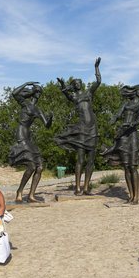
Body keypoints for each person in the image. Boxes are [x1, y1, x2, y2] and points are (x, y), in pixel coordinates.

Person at [53, 57, 101, 195]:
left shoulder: (88, 93)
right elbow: (66, 94)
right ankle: (77, 187)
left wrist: (96, 68)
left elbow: (98, 82)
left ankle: (86, 187)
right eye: (77, 83)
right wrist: (63, 86)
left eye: (80, 82)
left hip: (92, 129)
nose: (80, 84)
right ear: (74, 86)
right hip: (81, 129)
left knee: (91, 160)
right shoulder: (74, 98)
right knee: (80, 159)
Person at [101, 84, 139, 204]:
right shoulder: (126, 104)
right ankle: (131, 196)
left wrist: (130, 124)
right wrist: (114, 119)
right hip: (123, 136)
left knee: (133, 166)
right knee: (126, 167)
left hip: (132, 135)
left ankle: (136, 196)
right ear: (137, 91)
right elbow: (118, 114)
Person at [9, 82, 53, 203]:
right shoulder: (25, 103)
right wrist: (26, 84)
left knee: (40, 168)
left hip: (29, 137)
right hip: (21, 135)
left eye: (40, 92)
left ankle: (31, 195)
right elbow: (14, 93)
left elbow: (47, 126)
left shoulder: (38, 110)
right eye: (37, 91)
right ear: (33, 92)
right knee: (32, 166)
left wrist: (50, 119)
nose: (38, 94)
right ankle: (19, 191)